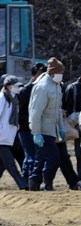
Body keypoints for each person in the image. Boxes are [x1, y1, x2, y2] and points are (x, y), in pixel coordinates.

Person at [28, 57, 65, 191]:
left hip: (52, 128)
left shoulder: (56, 86)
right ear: (53, 72)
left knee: (41, 158)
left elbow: (58, 109)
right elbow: (35, 112)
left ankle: (34, 182)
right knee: (54, 158)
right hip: (43, 129)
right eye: (60, 72)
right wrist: (36, 132)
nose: (62, 75)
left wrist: (60, 127)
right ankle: (47, 183)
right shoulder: (43, 87)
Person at [17, 62, 46, 182]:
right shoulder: (24, 91)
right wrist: (31, 122)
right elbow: (21, 112)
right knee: (32, 156)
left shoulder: (42, 89)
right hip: (25, 129)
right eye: (41, 74)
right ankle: (30, 180)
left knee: (30, 156)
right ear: (33, 75)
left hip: (37, 127)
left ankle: (26, 180)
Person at [0, 75, 27, 190]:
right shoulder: (2, 98)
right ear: (7, 86)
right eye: (15, 86)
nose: (17, 88)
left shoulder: (14, 99)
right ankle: (23, 185)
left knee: (2, 164)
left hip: (8, 137)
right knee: (10, 164)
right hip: (2, 137)